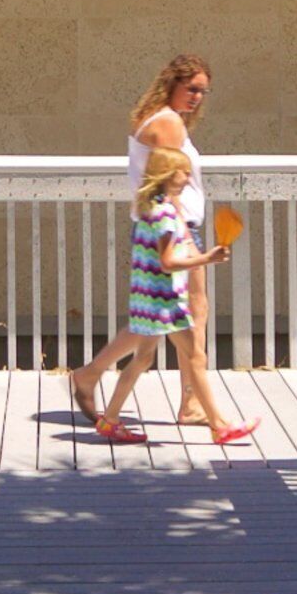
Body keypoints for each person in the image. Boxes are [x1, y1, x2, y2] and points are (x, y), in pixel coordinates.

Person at [68, 54, 218, 423]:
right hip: (173, 228)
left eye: (203, 91)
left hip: (160, 226)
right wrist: (182, 235)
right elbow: (170, 186)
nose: (197, 97)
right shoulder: (167, 124)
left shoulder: (158, 118)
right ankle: (191, 404)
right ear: (173, 83)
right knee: (188, 312)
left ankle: (91, 375)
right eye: (192, 88)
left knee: (156, 316)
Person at [94, 145, 253, 445]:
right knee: (196, 356)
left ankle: (109, 420)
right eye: (181, 171)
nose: (187, 176)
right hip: (163, 302)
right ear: (167, 175)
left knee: (142, 360)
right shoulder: (166, 214)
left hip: (144, 300)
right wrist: (207, 259)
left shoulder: (147, 208)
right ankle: (219, 426)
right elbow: (167, 262)